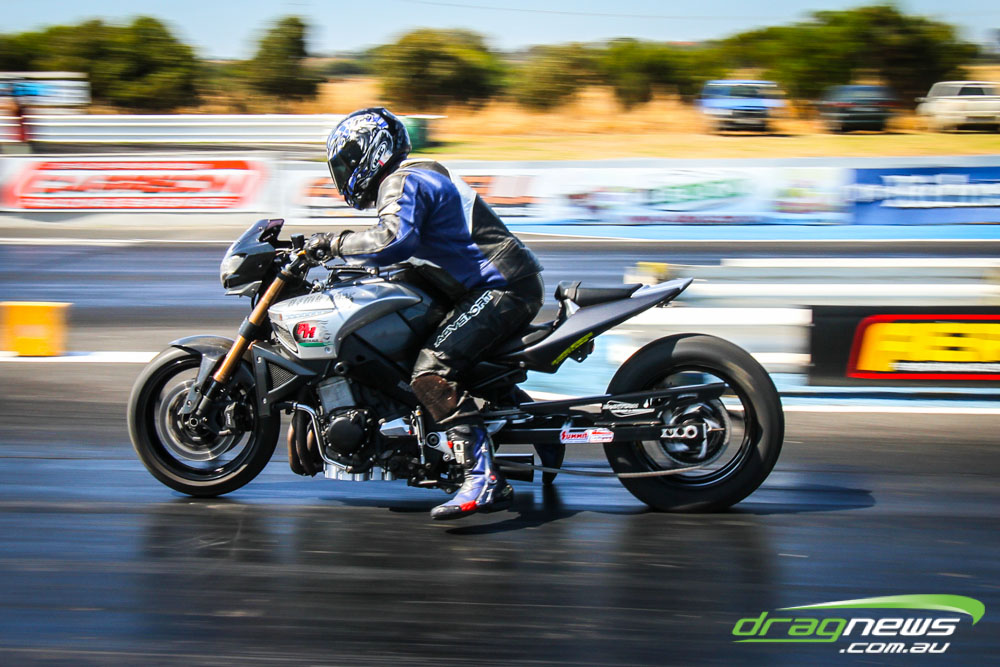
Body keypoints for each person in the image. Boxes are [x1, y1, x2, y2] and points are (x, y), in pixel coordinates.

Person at [305, 108, 545, 520]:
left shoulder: (402, 181)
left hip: (501, 287)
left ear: (372, 151)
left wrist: (332, 243)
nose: (345, 174)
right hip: (492, 283)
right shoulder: (414, 177)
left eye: (348, 162)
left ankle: (482, 477)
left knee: (430, 371)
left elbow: (392, 241)